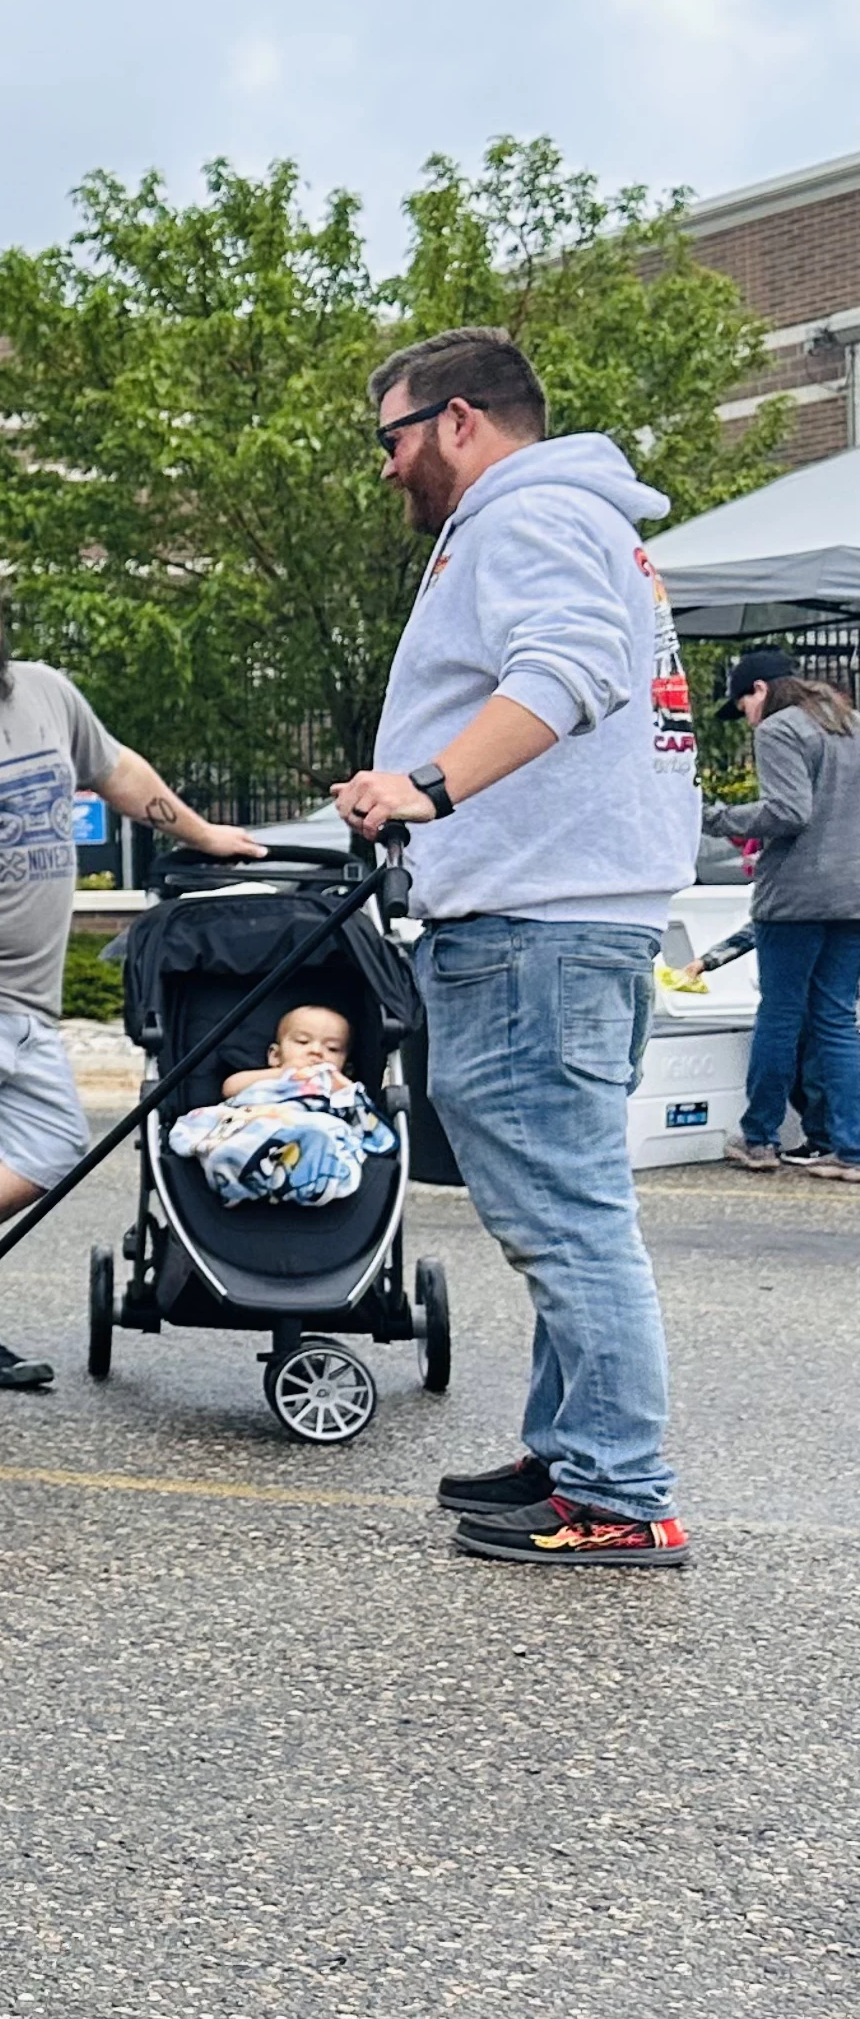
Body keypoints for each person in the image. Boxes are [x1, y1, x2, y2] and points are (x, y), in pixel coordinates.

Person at [334, 328, 696, 1568]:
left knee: (567, 1214)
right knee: (568, 1201)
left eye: (391, 437)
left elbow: (571, 669)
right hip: (577, 913)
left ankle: (616, 1489)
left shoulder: (524, 518)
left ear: (457, 421)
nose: (386, 468)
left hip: (536, 923)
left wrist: (427, 787)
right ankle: (574, 1449)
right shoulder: (582, 519)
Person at [0, 547, 261, 1387]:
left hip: (24, 991)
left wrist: (204, 835)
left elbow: (118, 769)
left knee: (55, 1143)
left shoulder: (46, 692)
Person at [706, 649, 860, 1182]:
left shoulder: (779, 730)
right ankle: (849, 1149)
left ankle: (760, 1138)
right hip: (853, 896)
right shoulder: (850, 723)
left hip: (795, 897)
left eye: (742, 702)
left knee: (780, 1014)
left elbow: (789, 812)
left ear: (761, 690)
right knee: (838, 1020)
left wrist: (716, 817)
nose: (745, 714)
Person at [165, 1003, 394, 1208]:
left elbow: (363, 1118)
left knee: (323, 1133)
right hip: (260, 1118)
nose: (316, 1051)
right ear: (275, 1055)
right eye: (303, 1042)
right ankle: (237, 1164)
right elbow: (230, 1088)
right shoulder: (273, 1075)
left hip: (312, 1123)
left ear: (347, 1066)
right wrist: (282, 1073)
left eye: (332, 1049)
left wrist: (343, 1086)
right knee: (239, 1129)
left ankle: (307, 1175)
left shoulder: (337, 1087)